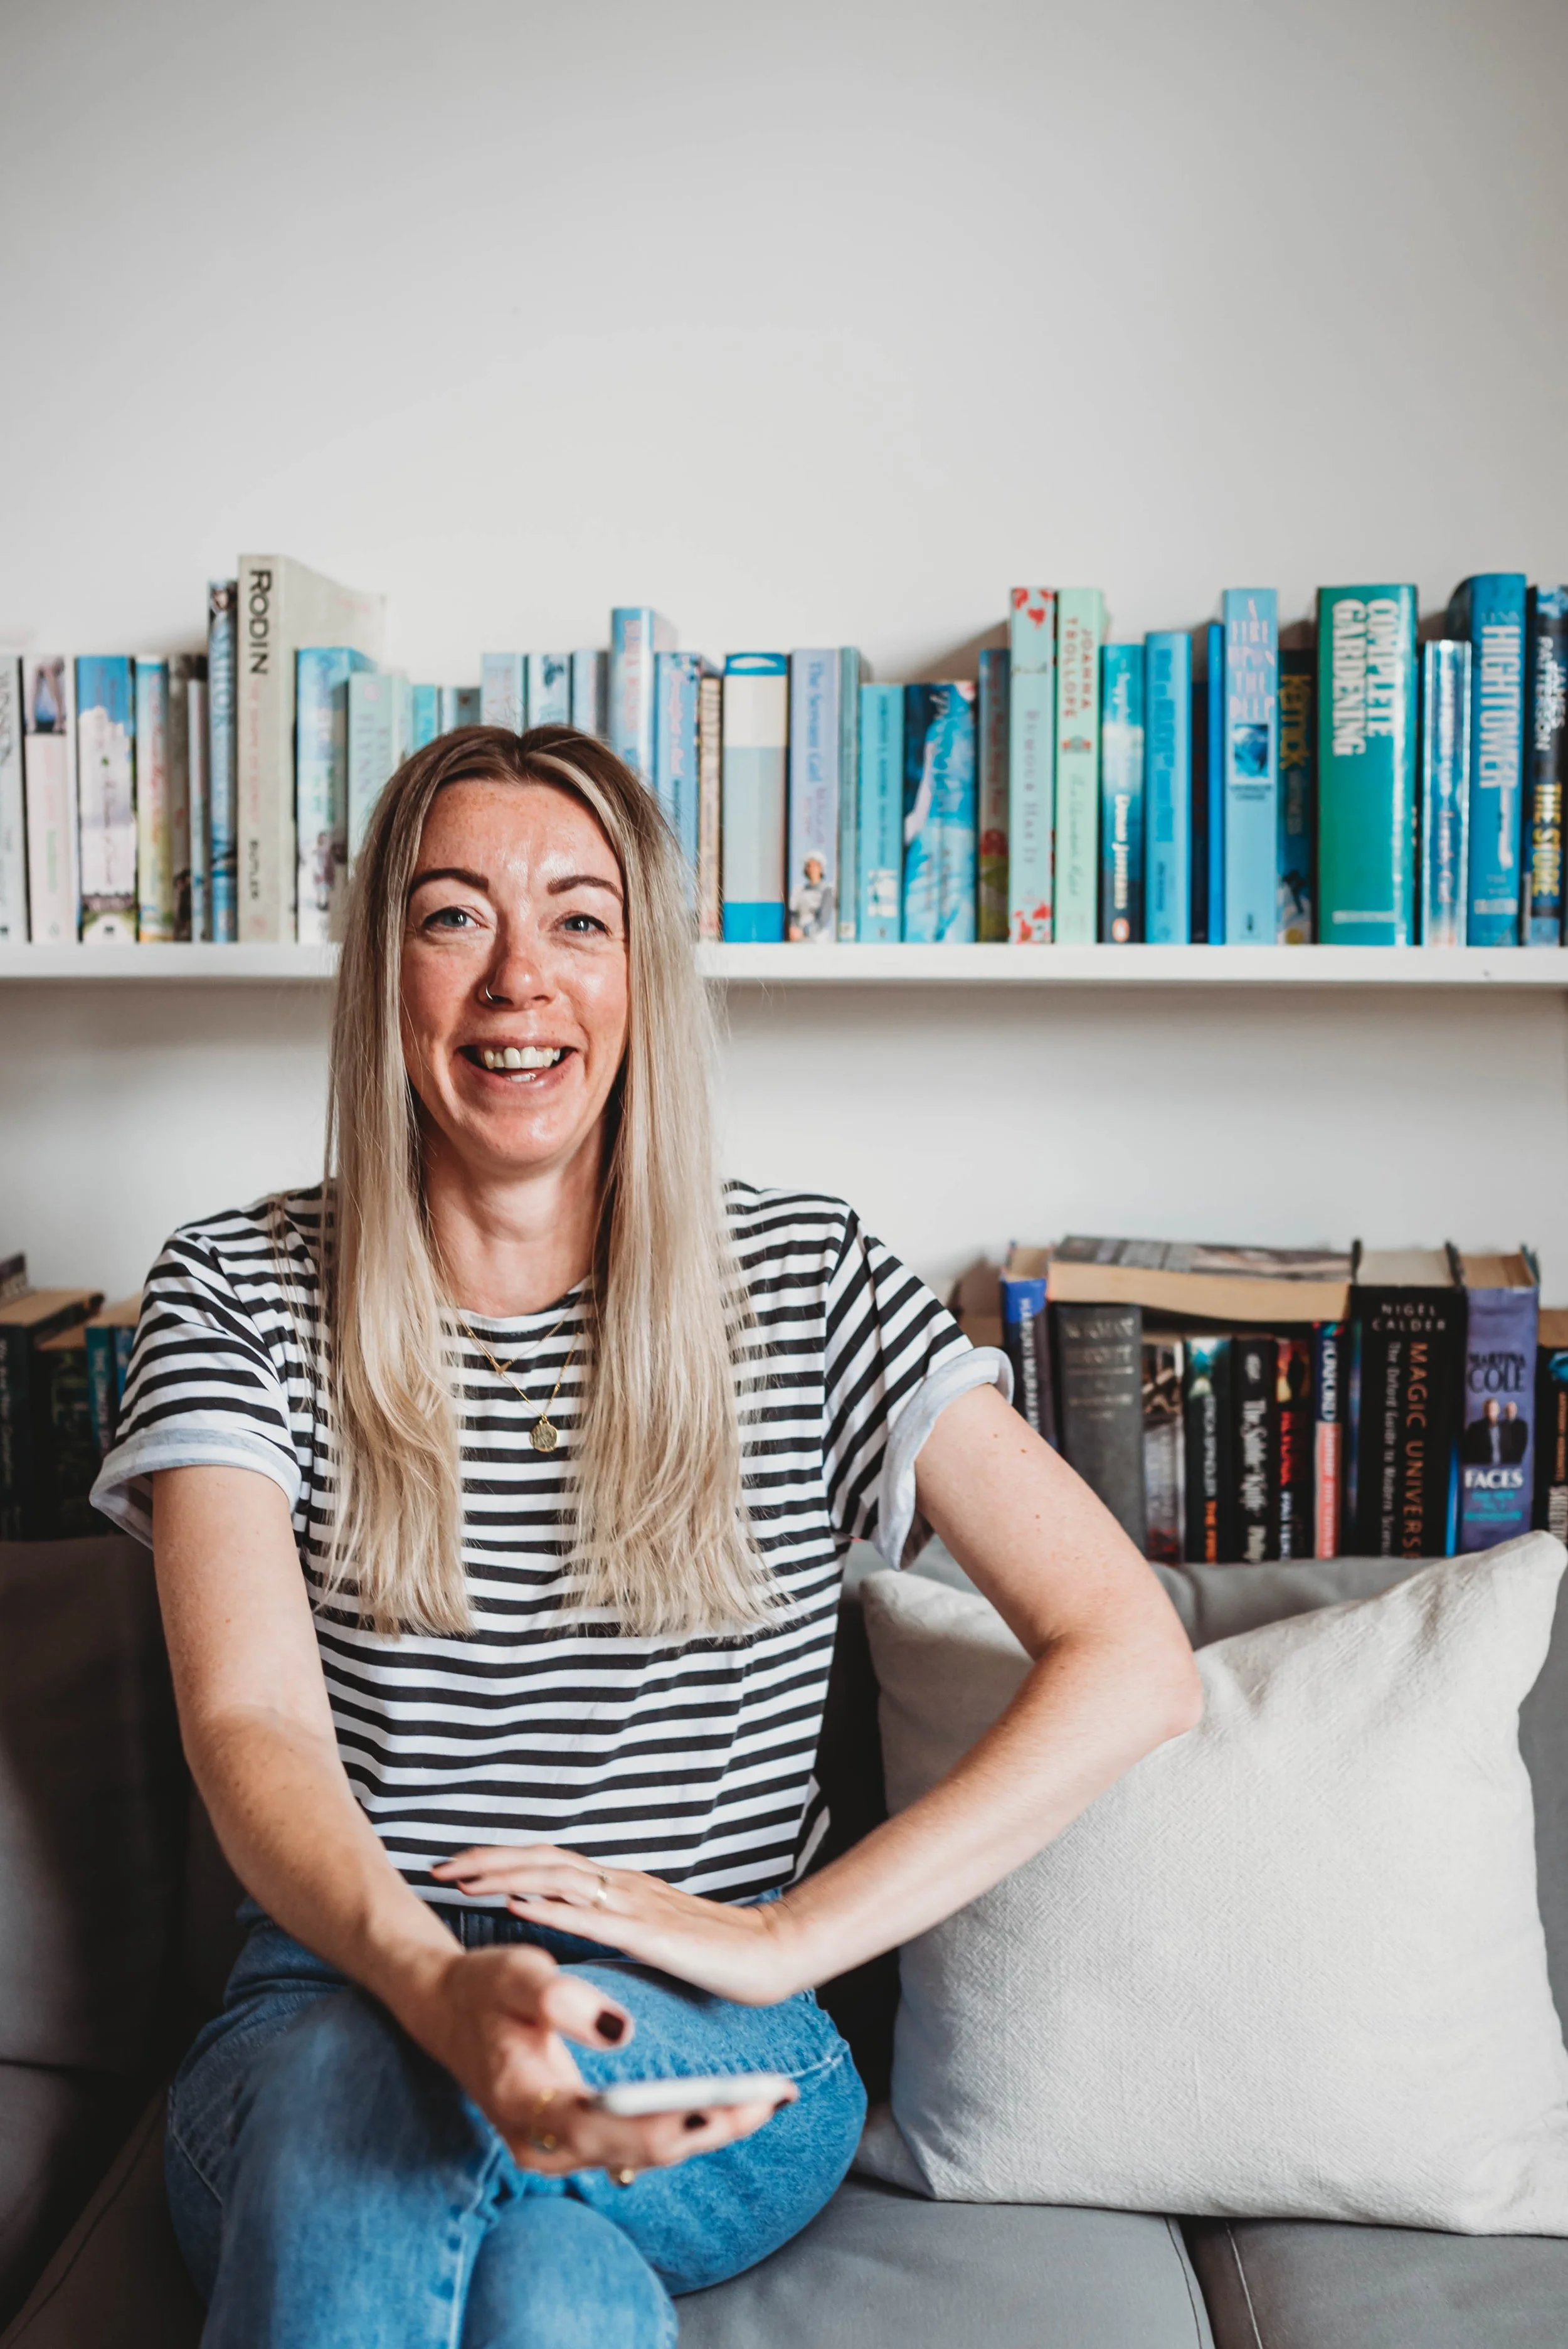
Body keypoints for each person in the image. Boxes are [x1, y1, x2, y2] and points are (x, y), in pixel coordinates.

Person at [92, 724, 1200, 2348]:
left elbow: (1131, 1660)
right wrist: (432, 1983)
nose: (516, 979)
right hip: (322, 2008)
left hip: (700, 2035)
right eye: (453, 914)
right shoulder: (235, 1289)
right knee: (528, 2270)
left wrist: (782, 1938)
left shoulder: (809, 1283)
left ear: (642, 976)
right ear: (382, 974)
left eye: (579, 920)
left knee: (373, 2128)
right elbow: (247, 1718)